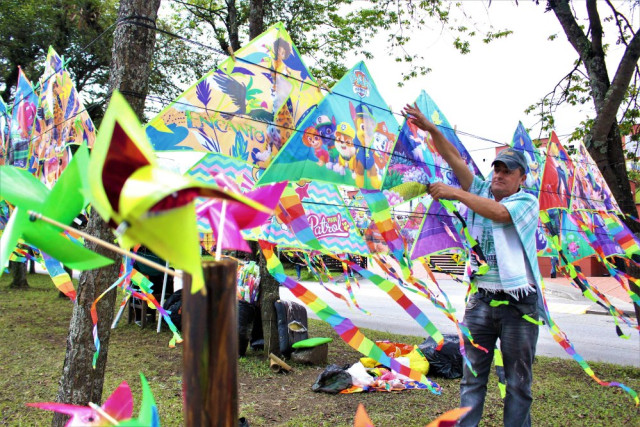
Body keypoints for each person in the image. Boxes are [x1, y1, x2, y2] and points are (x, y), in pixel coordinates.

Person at [403, 103, 542, 427]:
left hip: (519, 305)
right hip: (480, 301)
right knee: (471, 379)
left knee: (517, 384)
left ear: (521, 178)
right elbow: (454, 159)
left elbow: (498, 214)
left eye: (507, 171)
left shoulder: (525, 202)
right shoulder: (480, 191)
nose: (499, 175)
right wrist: (432, 129)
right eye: (496, 169)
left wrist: (455, 193)